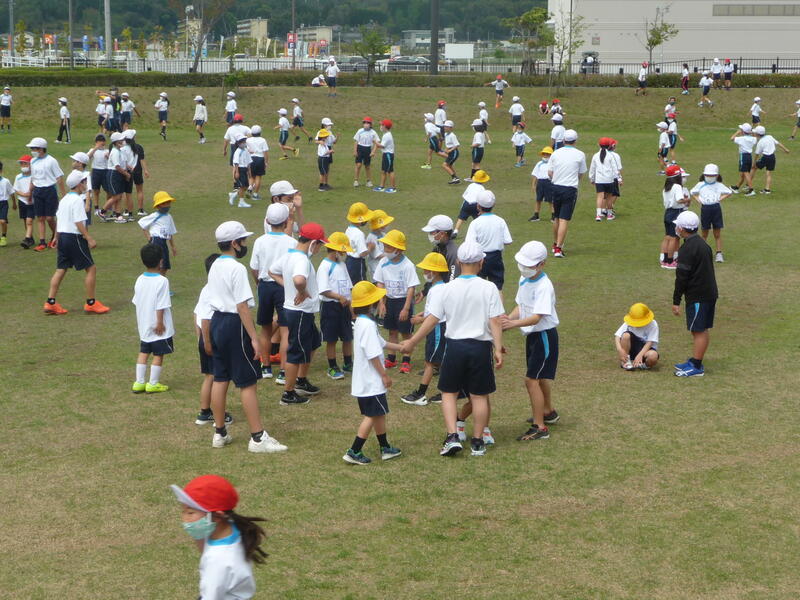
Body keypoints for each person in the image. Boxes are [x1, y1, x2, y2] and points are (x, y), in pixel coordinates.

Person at [400, 241, 504, 457]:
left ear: (458, 261)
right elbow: (495, 320)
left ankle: (452, 436)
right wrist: (498, 347)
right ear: (481, 262)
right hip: (480, 347)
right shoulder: (489, 288)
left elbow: (432, 319)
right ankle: (478, 442)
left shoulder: (447, 288)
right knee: (479, 396)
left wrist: (412, 341)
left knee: (449, 393)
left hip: (455, 347)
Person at [206, 220, 287, 453]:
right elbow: (242, 306)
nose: (244, 244)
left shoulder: (215, 265)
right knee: (248, 383)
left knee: (220, 378)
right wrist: (253, 337)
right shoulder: (237, 268)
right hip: (234, 325)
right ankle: (258, 438)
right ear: (234, 243)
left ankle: (219, 432)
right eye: (243, 240)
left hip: (217, 322)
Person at [170, 474, 267, 600]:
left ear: (217, 516)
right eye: (183, 511)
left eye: (190, 512)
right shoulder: (229, 526)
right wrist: (197, 532)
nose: (184, 519)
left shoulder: (218, 560)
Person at [501, 240, 560, 441]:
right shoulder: (524, 279)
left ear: (542, 264)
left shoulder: (544, 286)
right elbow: (522, 305)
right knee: (539, 377)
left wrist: (512, 324)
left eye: (529, 265)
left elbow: (537, 317)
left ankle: (539, 427)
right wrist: (508, 319)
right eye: (522, 264)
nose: (524, 268)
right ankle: (548, 411)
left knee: (531, 380)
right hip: (532, 336)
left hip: (543, 336)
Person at [343, 281, 403, 465]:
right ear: (371, 304)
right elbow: (373, 354)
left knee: (378, 413)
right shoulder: (368, 325)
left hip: (366, 381)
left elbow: (381, 343)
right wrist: (384, 375)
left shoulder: (363, 323)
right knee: (371, 415)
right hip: (371, 381)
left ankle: (385, 447)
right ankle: (354, 450)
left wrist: (401, 347)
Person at [269, 222, 327, 405]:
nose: (319, 249)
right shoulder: (301, 260)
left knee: (314, 342)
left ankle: (301, 380)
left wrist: (289, 287)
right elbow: (299, 280)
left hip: (299, 311)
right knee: (296, 352)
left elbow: (272, 271)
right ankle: (288, 393)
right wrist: (300, 291)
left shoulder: (289, 255)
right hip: (299, 312)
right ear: (313, 243)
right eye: (320, 245)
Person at [43, 171, 109, 315]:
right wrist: (88, 238)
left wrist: (56, 237)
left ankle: (50, 302)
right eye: (84, 182)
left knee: (61, 269)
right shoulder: (78, 200)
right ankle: (91, 303)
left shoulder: (64, 199)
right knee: (91, 268)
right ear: (79, 184)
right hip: (74, 238)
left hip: (63, 237)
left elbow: (59, 219)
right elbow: (78, 222)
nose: (86, 184)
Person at [250, 202, 297, 382]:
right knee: (286, 330)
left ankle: (266, 367)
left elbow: (254, 268)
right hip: (283, 286)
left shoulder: (260, 241)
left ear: (268, 221)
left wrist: (258, 283)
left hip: (265, 286)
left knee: (265, 328)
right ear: (286, 221)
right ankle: (284, 371)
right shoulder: (291, 242)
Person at [671, 211, 718, 378]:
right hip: (707, 293)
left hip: (699, 295)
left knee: (699, 330)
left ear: (682, 228)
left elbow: (682, 277)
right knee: (700, 329)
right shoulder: (703, 244)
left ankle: (697, 366)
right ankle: (695, 360)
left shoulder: (687, 249)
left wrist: (676, 301)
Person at [400, 252, 450, 406]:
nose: (424, 272)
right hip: (439, 327)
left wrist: (420, 320)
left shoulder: (437, 290)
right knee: (440, 361)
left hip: (437, 329)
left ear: (434, 272)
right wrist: (423, 314)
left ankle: (421, 394)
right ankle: (446, 392)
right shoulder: (441, 287)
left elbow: (435, 316)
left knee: (430, 362)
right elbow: (436, 309)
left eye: (426, 270)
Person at [193, 253, 233, 426]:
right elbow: (205, 319)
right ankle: (217, 415)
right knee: (218, 378)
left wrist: (200, 339)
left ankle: (205, 412)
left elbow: (196, 313)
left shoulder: (206, 288)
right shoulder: (214, 291)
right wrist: (208, 343)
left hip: (205, 338)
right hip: (212, 339)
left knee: (209, 376)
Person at [373, 229, 419, 373]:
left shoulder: (407, 265)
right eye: (384, 246)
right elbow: (380, 283)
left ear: (397, 250)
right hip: (389, 301)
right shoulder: (383, 262)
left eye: (388, 247)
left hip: (403, 301)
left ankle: (406, 360)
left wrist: (406, 308)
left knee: (405, 332)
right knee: (392, 331)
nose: (385, 249)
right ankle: (391, 359)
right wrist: (381, 303)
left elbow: (411, 288)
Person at [131, 243, 174, 394]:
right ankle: (153, 383)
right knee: (158, 354)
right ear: (161, 261)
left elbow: (137, 301)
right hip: (157, 325)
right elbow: (161, 304)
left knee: (144, 351)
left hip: (144, 323)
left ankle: (139, 382)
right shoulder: (162, 281)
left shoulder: (139, 279)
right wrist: (160, 323)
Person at [317, 232, 354, 380]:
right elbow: (324, 290)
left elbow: (349, 288)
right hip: (330, 308)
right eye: (343, 250)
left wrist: (351, 308)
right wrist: (339, 297)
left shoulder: (342, 265)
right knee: (331, 339)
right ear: (335, 250)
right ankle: (332, 367)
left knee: (347, 337)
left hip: (344, 307)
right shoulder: (325, 266)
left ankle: (348, 363)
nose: (345, 253)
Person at [548, 129, 587, 258]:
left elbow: (550, 172)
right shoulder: (580, 154)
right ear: (575, 141)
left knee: (556, 217)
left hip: (556, 187)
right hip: (570, 188)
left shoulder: (555, 153)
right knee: (564, 219)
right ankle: (558, 248)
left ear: (564, 140)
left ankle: (555, 244)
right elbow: (581, 173)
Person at [464, 190, 512, 290]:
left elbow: (469, 243)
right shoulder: (500, 221)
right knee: (498, 289)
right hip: (496, 258)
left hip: (480, 258)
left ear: (478, 206)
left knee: (478, 288)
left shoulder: (475, 223)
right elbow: (508, 241)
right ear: (493, 205)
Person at [27, 137, 65, 252]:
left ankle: (56, 236)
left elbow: (59, 178)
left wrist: (64, 195)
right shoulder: (32, 161)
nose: (32, 151)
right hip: (37, 191)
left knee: (49, 218)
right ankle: (42, 242)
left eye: (34, 148)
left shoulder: (51, 161)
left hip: (49, 190)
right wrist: (30, 192)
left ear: (41, 149)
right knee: (40, 218)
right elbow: (33, 178)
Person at [690, 163, 732, 263]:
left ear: (716, 176)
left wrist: (719, 199)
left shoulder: (719, 185)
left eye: (712, 175)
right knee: (704, 233)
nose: (710, 177)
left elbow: (729, 192)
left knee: (717, 233)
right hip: (705, 209)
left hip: (716, 208)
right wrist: (699, 199)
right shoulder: (700, 184)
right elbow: (692, 192)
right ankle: (702, 253)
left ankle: (719, 253)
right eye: (708, 175)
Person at [138, 191, 177, 275]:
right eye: (164, 203)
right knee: (158, 266)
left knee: (165, 266)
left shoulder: (169, 217)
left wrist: (173, 246)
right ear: (158, 205)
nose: (167, 205)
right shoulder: (154, 215)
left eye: (168, 202)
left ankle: (162, 279)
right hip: (156, 241)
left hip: (164, 243)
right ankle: (157, 279)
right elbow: (142, 223)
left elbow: (170, 233)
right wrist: (148, 237)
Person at [660, 164, 690, 269]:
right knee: (673, 238)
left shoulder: (666, 187)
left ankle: (664, 259)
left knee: (667, 237)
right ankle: (670, 261)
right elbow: (679, 200)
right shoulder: (677, 187)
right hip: (676, 213)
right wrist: (687, 199)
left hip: (668, 213)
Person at [614, 302, 660, 371]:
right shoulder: (628, 323)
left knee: (653, 356)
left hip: (646, 350)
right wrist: (620, 350)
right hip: (631, 349)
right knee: (625, 335)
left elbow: (650, 342)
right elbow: (617, 336)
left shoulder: (653, 324)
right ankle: (626, 361)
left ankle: (642, 365)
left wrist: (640, 355)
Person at [751, 125, 790, 194]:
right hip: (772, 157)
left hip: (765, 157)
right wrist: (785, 149)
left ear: (757, 134)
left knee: (754, 168)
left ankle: (748, 184)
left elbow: (757, 154)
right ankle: (767, 189)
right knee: (768, 173)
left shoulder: (760, 142)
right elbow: (778, 143)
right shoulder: (770, 137)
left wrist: (754, 163)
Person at [421, 214, 460, 281]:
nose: (429, 235)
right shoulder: (437, 248)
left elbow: (453, 280)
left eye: (431, 232)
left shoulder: (453, 254)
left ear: (442, 234)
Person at [589, 138, 620, 221]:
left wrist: (592, 178)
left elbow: (592, 168)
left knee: (600, 197)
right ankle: (609, 215)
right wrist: (617, 178)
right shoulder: (610, 156)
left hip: (599, 180)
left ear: (599, 145)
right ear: (609, 145)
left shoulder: (595, 155)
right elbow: (614, 168)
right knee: (609, 198)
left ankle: (598, 215)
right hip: (609, 180)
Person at [345, 201, 373, 284]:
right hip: (357, 263)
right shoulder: (359, 234)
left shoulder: (348, 230)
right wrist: (370, 248)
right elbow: (362, 253)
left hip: (348, 260)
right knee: (360, 283)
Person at [454, 168, 488, 236]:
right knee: (478, 219)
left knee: (461, 218)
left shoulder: (470, 185)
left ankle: (455, 231)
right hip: (476, 205)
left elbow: (464, 195)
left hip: (466, 203)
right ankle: (480, 232)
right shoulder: (482, 188)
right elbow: (482, 199)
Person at [125, 129, 149, 217]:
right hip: (137, 170)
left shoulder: (123, 148)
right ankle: (140, 210)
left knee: (127, 192)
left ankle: (127, 210)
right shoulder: (139, 147)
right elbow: (142, 160)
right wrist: (146, 170)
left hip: (127, 171)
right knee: (139, 190)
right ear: (134, 137)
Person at [353, 117, 380, 188]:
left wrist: (373, 151)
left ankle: (368, 181)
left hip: (368, 149)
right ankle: (356, 180)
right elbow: (356, 141)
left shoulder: (373, 132)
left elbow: (377, 142)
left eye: (368, 123)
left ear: (370, 124)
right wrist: (355, 151)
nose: (366, 124)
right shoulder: (360, 131)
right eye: (364, 123)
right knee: (358, 165)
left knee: (367, 166)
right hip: (360, 148)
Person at [14, 155, 34, 248]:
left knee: (29, 220)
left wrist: (30, 195)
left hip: (32, 202)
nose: (23, 166)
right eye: (21, 164)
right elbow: (16, 190)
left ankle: (27, 239)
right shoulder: (18, 177)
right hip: (22, 201)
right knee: (25, 220)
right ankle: (30, 238)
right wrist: (24, 195)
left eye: (25, 163)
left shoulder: (34, 177)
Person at [730, 123, 756, 196]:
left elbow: (732, 138)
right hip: (749, 157)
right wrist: (751, 132)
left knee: (746, 173)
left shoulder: (741, 139)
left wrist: (737, 132)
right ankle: (736, 187)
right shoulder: (753, 139)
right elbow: (754, 137)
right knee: (743, 174)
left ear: (743, 131)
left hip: (743, 156)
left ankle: (751, 190)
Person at [529, 146, 554, 223]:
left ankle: (554, 216)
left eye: (548, 154)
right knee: (538, 199)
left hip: (549, 182)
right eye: (544, 154)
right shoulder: (539, 164)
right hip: (540, 183)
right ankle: (536, 215)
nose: (545, 155)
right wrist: (533, 185)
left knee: (550, 200)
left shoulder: (553, 164)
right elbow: (535, 174)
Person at [366, 209, 393, 277]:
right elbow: (377, 255)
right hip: (376, 268)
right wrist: (391, 256)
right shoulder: (371, 238)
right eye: (383, 224)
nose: (386, 225)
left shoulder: (383, 235)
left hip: (385, 265)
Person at [88, 134, 109, 214]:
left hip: (105, 171)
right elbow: (87, 157)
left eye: (103, 141)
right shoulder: (92, 150)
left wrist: (108, 157)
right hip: (96, 171)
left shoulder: (107, 151)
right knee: (96, 190)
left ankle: (107, 206)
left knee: (108, 190)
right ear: (96, 142)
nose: (102, 143)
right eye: (100, 141)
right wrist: (95, 148)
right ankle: (96, 207)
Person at [374, 119, 396, 193]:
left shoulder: (387, 136)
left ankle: (393, 188)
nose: (380, 126)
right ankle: (382, 187)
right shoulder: (385, 134)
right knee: (383, 171)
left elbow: (382, 146)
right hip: (385, 155)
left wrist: (374, 141)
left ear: (385, 127)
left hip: (388, 155)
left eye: (382, 125)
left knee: (390, 171)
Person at [246, 125, 269, 199]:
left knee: (251, 176)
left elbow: (246, 149)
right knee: (258, 176)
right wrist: (266, 162)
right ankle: (255, 195)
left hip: (250, 159)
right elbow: (265, 152)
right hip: (260, 159)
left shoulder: (248, 140)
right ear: (260, 132)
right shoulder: (263, 140)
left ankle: (250, 187)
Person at [231, 137, 253, 208]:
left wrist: (249, 171)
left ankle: (234, 195)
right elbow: (236, 163)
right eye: (243, 142)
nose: (244, 143)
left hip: (245, 169)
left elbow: (248, 161)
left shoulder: (246, 150)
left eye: (244, 142)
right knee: (242, 186)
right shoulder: (237, 151)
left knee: (246, 186)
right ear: (238, 143)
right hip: (240, 169)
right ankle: (241, 202)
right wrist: (237, 172)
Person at [438, 120, 461, 184]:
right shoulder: (446, 134)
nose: (445, 128)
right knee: (449, 165)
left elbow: (457, 145)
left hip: (454, 153)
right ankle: (456, 178)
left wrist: (450, 150)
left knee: (444, 165)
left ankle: (455, 178)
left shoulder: (452, 135)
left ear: (451, 128)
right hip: (450, 152)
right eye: (444, 126)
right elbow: (448, 144)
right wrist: (446, 149)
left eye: (446, 127)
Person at [0, 161, 14, 246]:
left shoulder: (5, 181)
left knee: (2, 221)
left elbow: (11, 192)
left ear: (1, 171)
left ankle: (3, 237)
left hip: (3, 203)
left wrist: (14, 203)